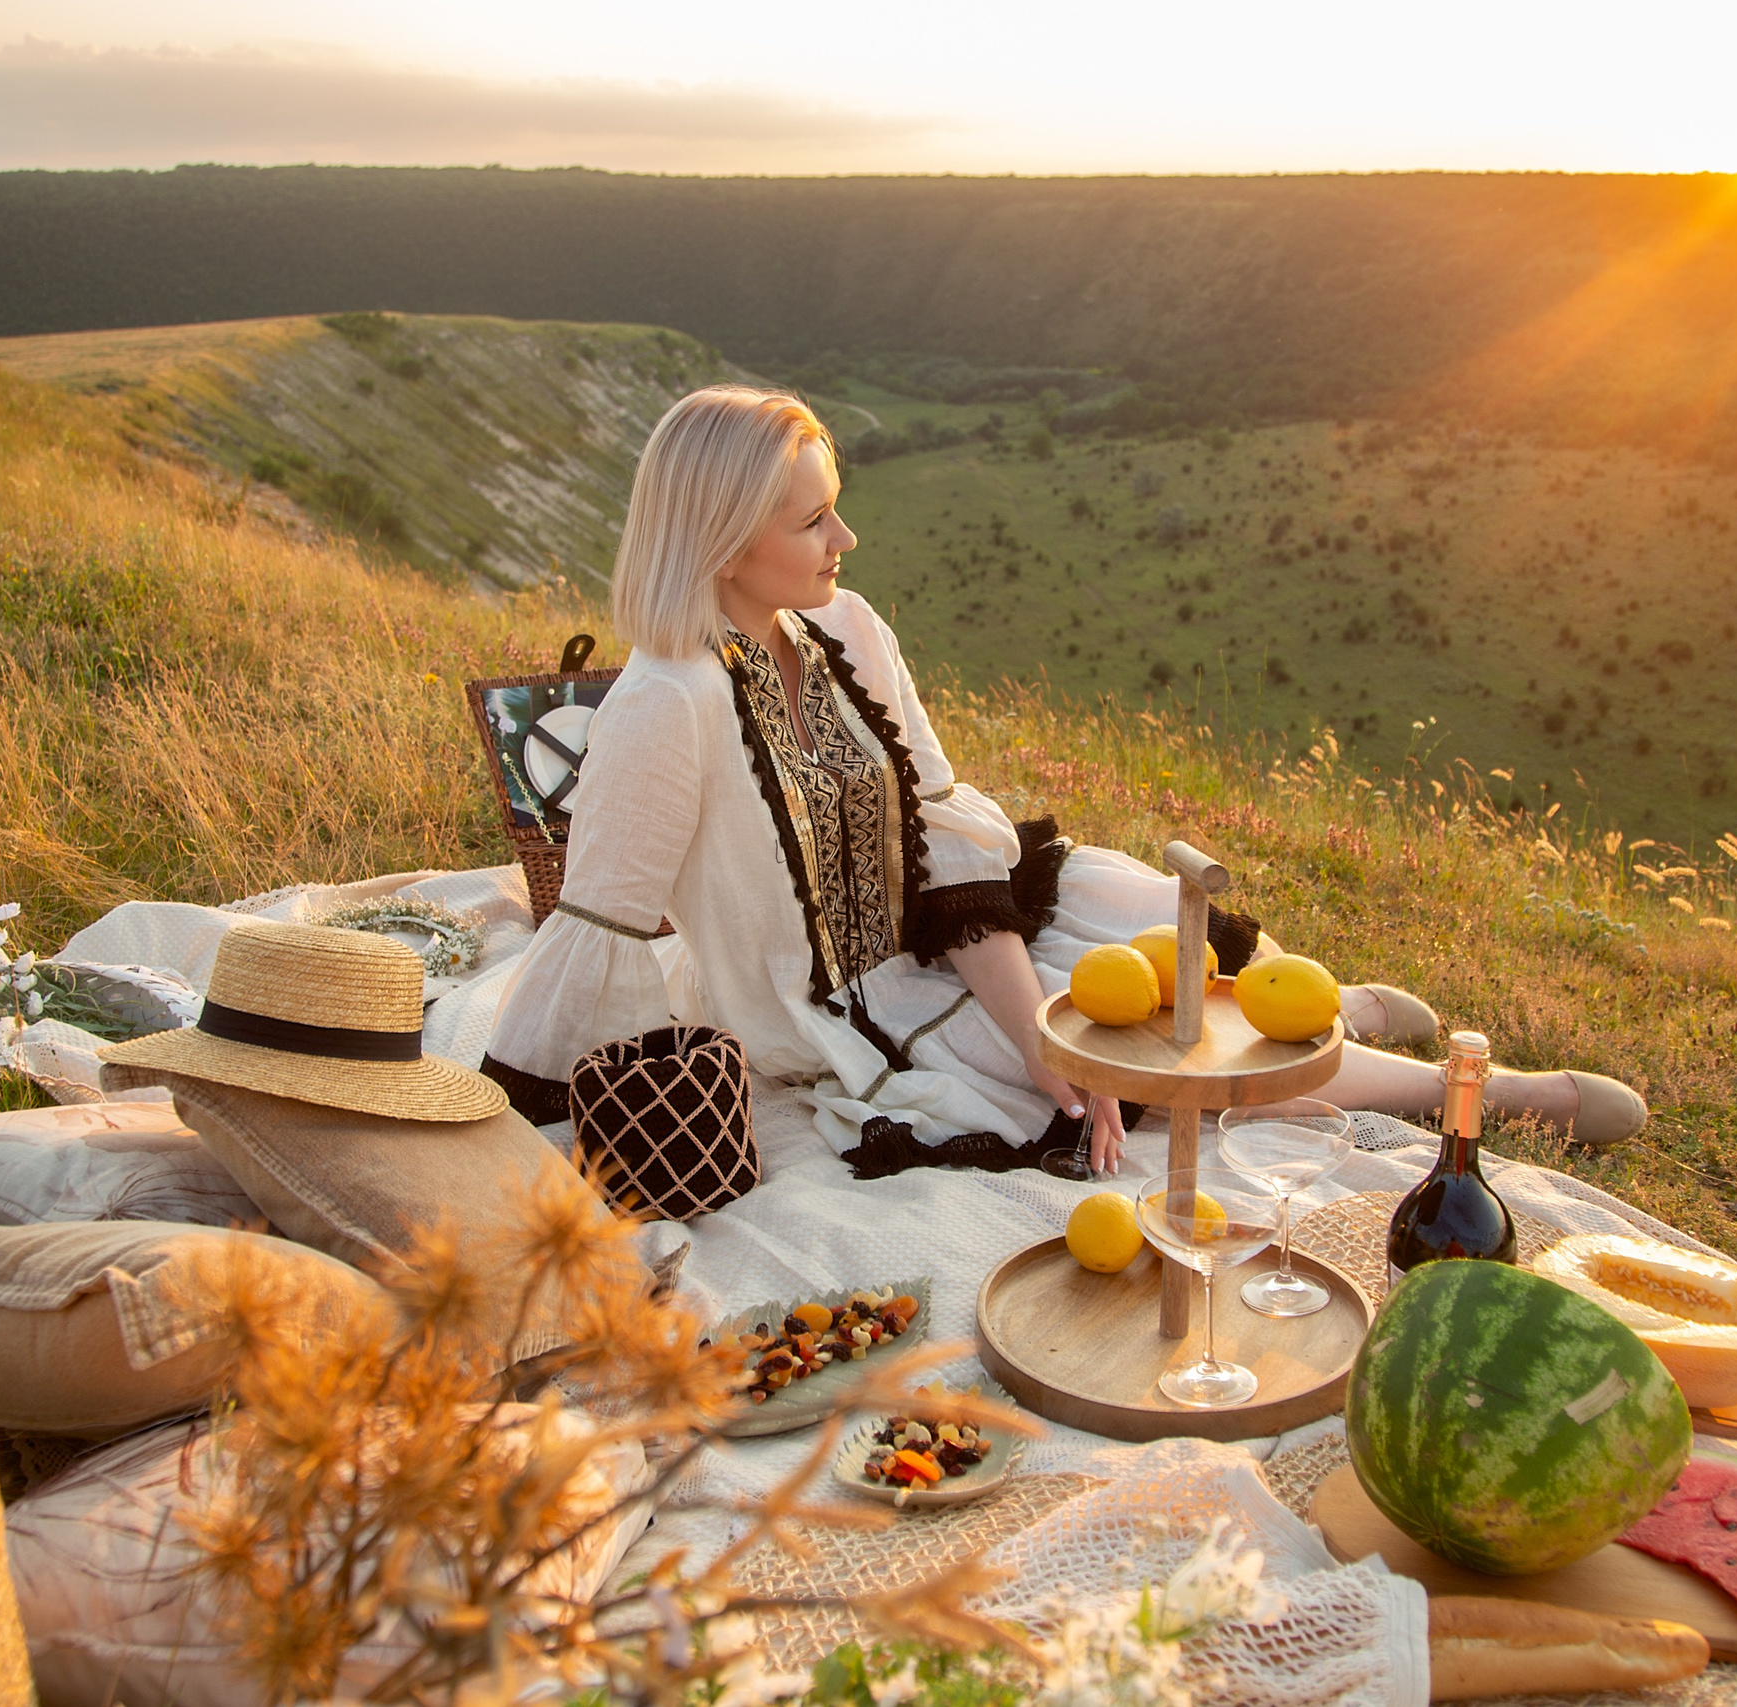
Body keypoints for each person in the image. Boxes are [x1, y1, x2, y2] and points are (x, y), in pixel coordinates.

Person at [480, 387, 1645, 1175]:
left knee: (1137, 939)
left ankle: (1342, 1017)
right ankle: (1467, 1091)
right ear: (727, 540)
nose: (846, 542)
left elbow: (941, 832)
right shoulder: (660, 705)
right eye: (816, 519)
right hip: (832, 1007)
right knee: (1111, 1065)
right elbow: (605, 930)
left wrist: (1023, 1009)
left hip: (941, 936)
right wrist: (518, 1104)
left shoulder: (844, 632)